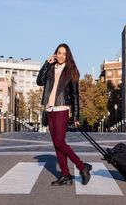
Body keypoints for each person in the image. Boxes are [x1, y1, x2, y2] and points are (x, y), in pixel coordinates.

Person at [36, 43, 92, 186]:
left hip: (62, 109)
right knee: (56, 144)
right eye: (59, 53)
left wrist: (76, 116)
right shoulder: (50, 67)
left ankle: (81, 166)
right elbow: (39, 82)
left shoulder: (71, 71)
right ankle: (66, 175)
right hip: (50, 110)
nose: (61, 56)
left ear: (68, 56)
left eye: (64, 54)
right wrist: (46, 64)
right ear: (55, 54)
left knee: (60, 142)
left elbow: (75, 95)